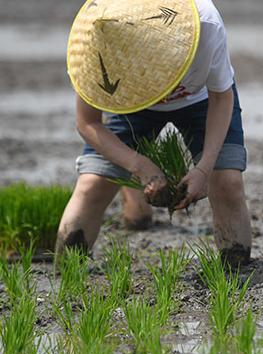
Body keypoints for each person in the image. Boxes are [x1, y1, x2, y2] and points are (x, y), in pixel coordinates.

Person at [56, 0, 252, 266]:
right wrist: (139, 165)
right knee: (92, 185)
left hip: (202, 100)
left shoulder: (204, 23)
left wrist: (204, 170)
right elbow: (88, 123)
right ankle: (68, 274)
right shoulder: (96, 38)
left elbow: (221, 98)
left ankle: (236, 272)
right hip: (130, 105)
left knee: (226, 181)